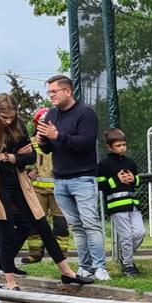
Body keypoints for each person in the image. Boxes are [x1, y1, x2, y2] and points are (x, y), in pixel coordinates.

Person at [0, 94, 91, 290]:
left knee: (41, 224)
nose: (8, 121)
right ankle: (7, 280)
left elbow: (30, 157)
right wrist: (14, 156)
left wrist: (7, 157)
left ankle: (66, 271)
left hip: (19, 182)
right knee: (5, 230)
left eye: (11, 117)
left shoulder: (17, 124)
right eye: (4, 118)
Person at [39, 74, 108, 280]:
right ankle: (85, 267)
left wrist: (57, 136)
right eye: (49, 92)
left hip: (83, 178)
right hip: (60, 180)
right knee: (76, 226)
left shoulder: (86, 113)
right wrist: (43, 140)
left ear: (67, 91)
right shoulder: (51, 114)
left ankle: (100, 267)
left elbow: (85, 143)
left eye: (54, 91)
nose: (51, 95)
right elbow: (50, 148)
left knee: (90, 224)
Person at [98, 128, 147, 276]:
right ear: (109, 147)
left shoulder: (130, 163)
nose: (122, 148)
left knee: (140, 232)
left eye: (124, 145)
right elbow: (100, 185)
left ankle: (125, 256)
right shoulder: (104, 165)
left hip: (132, 204)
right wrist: (116, 180)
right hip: (116, 206)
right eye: (118, 145)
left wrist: (134, 179)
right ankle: (128, 265)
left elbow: (136, 180)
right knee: (126, 236)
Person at [21, 107, 66, 264]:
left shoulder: (59, 140)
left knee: (60, 223)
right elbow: (21, 161)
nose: (44, 125)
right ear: (35, 125)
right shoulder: (30, 143)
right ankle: (35, 254)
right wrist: (27, 171)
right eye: (41, 123)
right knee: (35, 222)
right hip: (37, 190)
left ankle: (61, 256)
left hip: (58, 189)